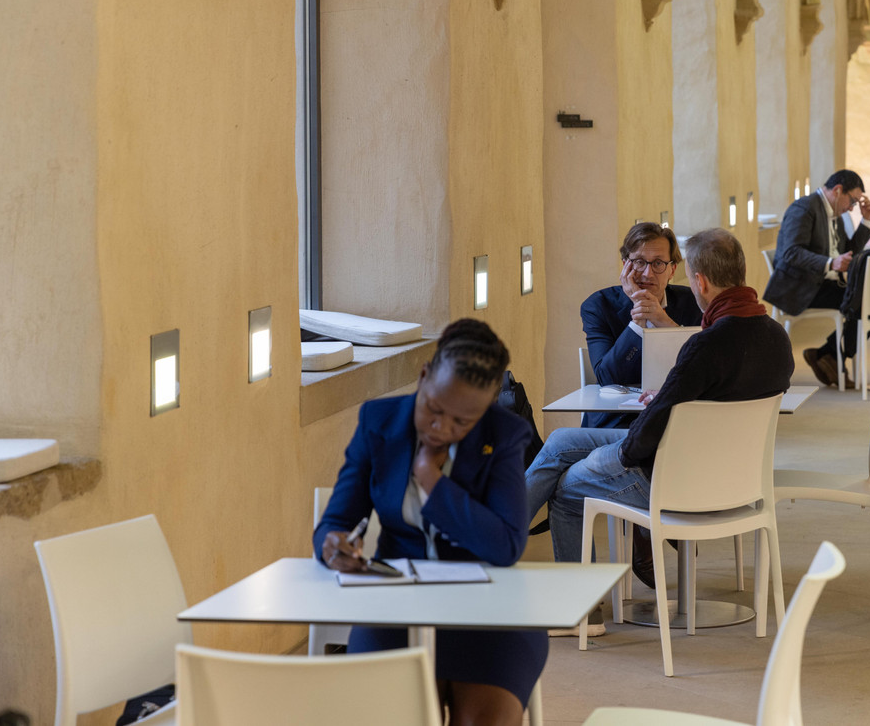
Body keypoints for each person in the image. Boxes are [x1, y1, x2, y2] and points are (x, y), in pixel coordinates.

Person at [525, 229, 793, 621]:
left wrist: (615, 456)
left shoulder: (706, 345)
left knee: (566, 491)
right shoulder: (776, 336)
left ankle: (578, 612)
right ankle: (498, 537)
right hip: (739, 478)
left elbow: (649, 434)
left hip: (675, 477)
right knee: (563, 441)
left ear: (697, 280)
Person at [315, 319, 544, 726]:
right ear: (423, 377)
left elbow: (506, 544)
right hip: (397, 607)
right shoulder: (378, 423)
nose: (443, 428)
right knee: (387, 717)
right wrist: (333, 545)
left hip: (490, 613)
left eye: (463, 422)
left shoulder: (505, 435)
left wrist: (431, 480)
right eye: (434, 410)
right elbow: (337, 520)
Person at [579, 222, 703, 429]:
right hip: (616, 423)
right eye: (639, 262)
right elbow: (608, 378)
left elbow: (703, 367)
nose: (647, 273)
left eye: (658, 264)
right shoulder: (598, 306)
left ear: (672, 269)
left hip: (679, 422)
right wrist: (639, 320)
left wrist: (662, 320)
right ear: (625, 264)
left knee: (559, 447)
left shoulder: (694, 303)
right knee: (558, 442)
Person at [762, 168, 870, 388]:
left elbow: (848, 250)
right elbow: (791, 252)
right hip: (800, 287)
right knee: (866, 301)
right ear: (838, 190)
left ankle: (826, 355)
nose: (851, 208)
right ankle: (830, 356)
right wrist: (830, 263)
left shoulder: (835, 214)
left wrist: (866, 221)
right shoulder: (804, 208)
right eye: (851, 201)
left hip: (822, 284)